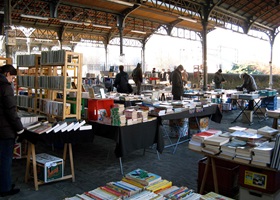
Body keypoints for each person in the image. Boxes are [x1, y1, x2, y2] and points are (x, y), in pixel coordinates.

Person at [0, 64, 24, 197]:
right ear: (8, 74)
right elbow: (10, 111)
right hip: (5, 130)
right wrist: (20, 130)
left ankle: (5, 183)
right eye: (13, 77)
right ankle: (5, 188)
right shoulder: (5, 87)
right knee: (5, 159)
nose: (12, 80)